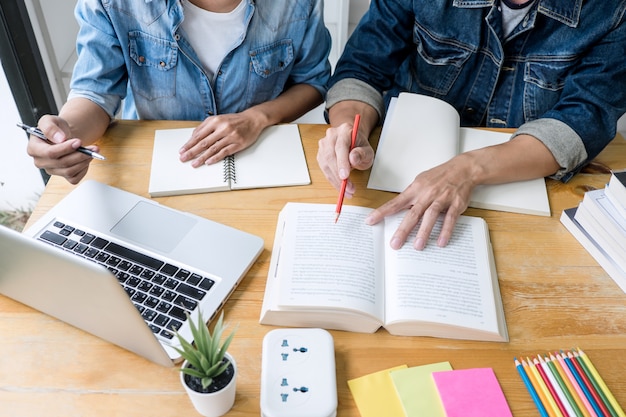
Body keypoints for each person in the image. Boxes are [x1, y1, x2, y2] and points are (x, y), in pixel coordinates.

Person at [317, 0, 626, 250]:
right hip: (395, 176)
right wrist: (348, 130)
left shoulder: (612, 10)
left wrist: (466, 170)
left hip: (521, 187)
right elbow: (362, 68)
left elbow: (584, 118)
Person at [28, 0, 331, 184]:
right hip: (156, 167)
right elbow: (95, 93)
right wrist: (65, 134)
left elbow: (313, 82)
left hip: (262, 161)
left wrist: (257, 118)